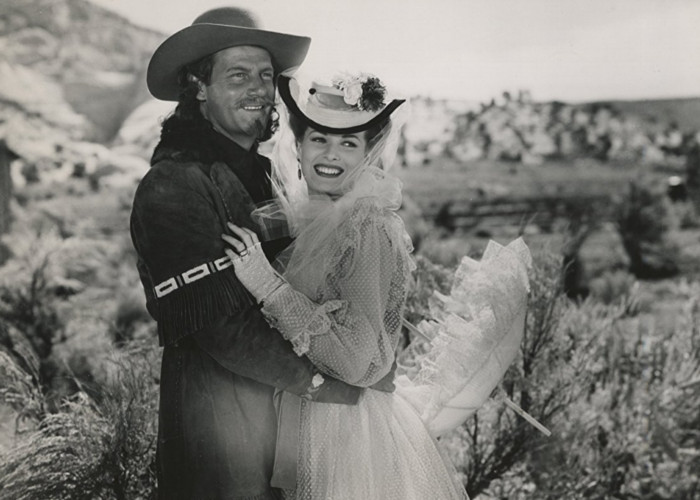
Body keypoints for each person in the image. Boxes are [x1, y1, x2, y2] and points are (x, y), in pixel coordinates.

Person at [222, 73, 530, 499]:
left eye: (349, 143)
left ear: (369, 154)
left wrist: (267, 286)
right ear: (300, 145)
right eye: (319, 139)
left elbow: (355, 359)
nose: (330, 155)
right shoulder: (320, 218)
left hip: (343, 435)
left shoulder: (365, 226)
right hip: (305, 420)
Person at [130, 8, 393, 500]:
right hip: (221, 432)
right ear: (199, 86)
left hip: (289, 425)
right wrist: (329, 386)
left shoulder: (266, 173)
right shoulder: (174, 184)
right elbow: (221, 329)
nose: (257, 88)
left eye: (265, 75)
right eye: (237, 75)